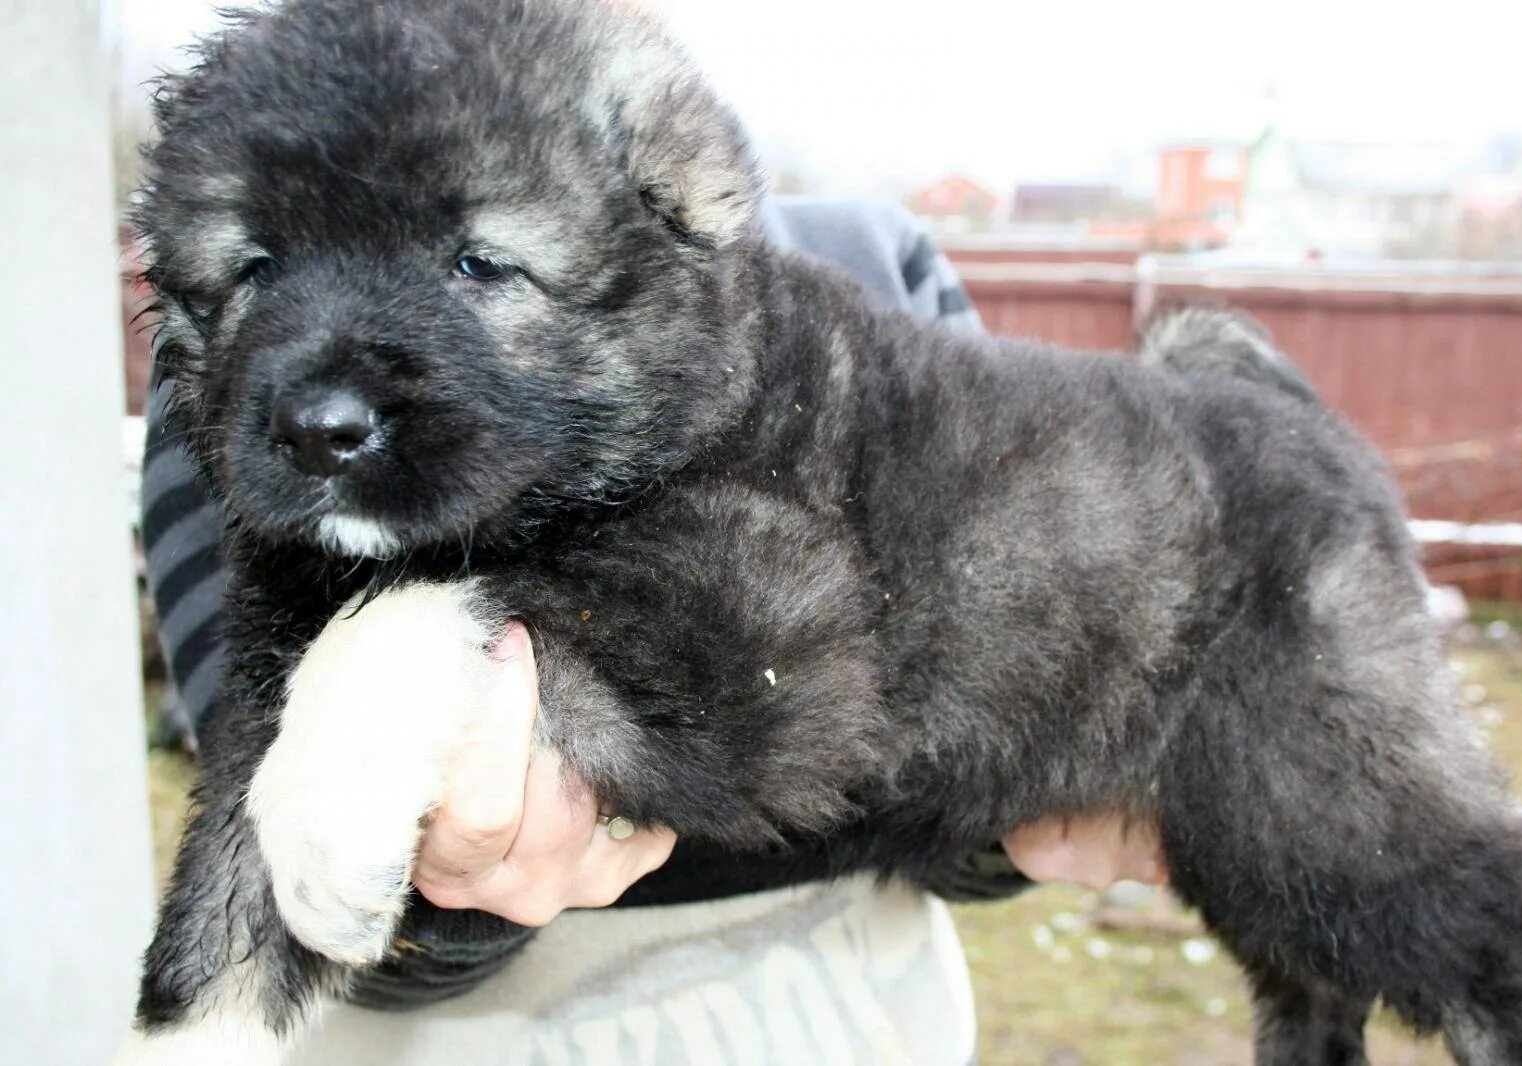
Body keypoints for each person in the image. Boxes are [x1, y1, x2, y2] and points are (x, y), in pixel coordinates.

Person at [142, 196, 1165, 1064]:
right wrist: (439, 893)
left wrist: (1028, 819)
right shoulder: (275, 329)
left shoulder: (871, 255)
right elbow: (272, 829)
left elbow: (941, 780)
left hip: (865, 1014)